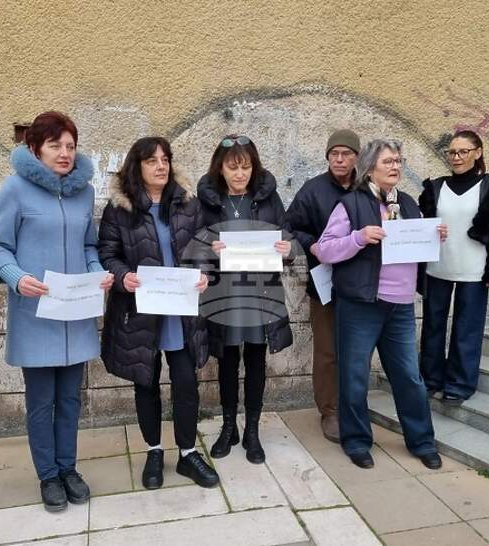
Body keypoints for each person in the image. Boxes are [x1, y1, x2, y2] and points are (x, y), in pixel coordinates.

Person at [0, 111, 114, 513]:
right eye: (55, 145)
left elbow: (89, 245)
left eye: (70, 146)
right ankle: (48, 475)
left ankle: (68, 468)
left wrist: (97, 272)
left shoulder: (84, 193)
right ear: (34, 148)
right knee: (41, 402)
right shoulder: (15, 189)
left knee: (71, 399)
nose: (64, 153)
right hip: (36, 312)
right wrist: (17, 278)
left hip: (75, 312)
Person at [317, 138, 445, 470]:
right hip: (361, 304)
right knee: (354, 376)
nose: (395, 167)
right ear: (369, 168)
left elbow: (416, 248)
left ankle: (422, 442)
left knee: (409, 377)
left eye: (399, 161)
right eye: (388, 161)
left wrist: (434, 236)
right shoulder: (351, 204)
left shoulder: (408, 203)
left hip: (400, 306)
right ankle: (357, 441)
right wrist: (359, 238)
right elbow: (324, 249)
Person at [98, 136, 218, 489]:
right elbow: (107, 253)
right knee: (146, 384)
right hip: (140, 312)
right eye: (152, 161)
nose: (161, 166)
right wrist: (123, 276)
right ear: (137, 167)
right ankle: (153, 451)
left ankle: (187, 453)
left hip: (181, 312)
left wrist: (204, 274)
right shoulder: (120, 209)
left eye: (165, 159)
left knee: (185, 383)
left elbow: (203, 248)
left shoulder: (187, 204)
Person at [196, 135, 294, 464]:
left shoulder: (267, 197)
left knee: (255, 360)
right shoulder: (208, 200)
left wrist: (287, 248)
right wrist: (208, 248)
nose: (240, 174)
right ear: (220, 169)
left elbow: (287, 235)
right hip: (223, 294)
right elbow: (192, 242)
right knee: (226, 361)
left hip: (260, 293)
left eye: (246, 167)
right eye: (232, 167)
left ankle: (252, 430)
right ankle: (229, 427)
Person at [418, 130, 489, 405]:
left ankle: (459, 384)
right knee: (432, 326)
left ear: (478, 153)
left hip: (475, 270)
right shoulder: (435, 187)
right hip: (437, 267)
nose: (456, 157)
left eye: (463, 152)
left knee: (467, 328)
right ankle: (430, 379)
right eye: (452, 152)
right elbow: (421, 225)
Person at [285, 129, 360, 443]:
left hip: (362, 282)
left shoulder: (368, 187)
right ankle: (329, 411)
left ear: (357, 157)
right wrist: (312, 244)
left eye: (346, 154)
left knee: (355, 349)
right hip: (324, 282)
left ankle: (353, 405)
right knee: (327, 350)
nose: (339, 159)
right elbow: (289, 226)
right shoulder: (313, 190)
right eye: (333, 154)